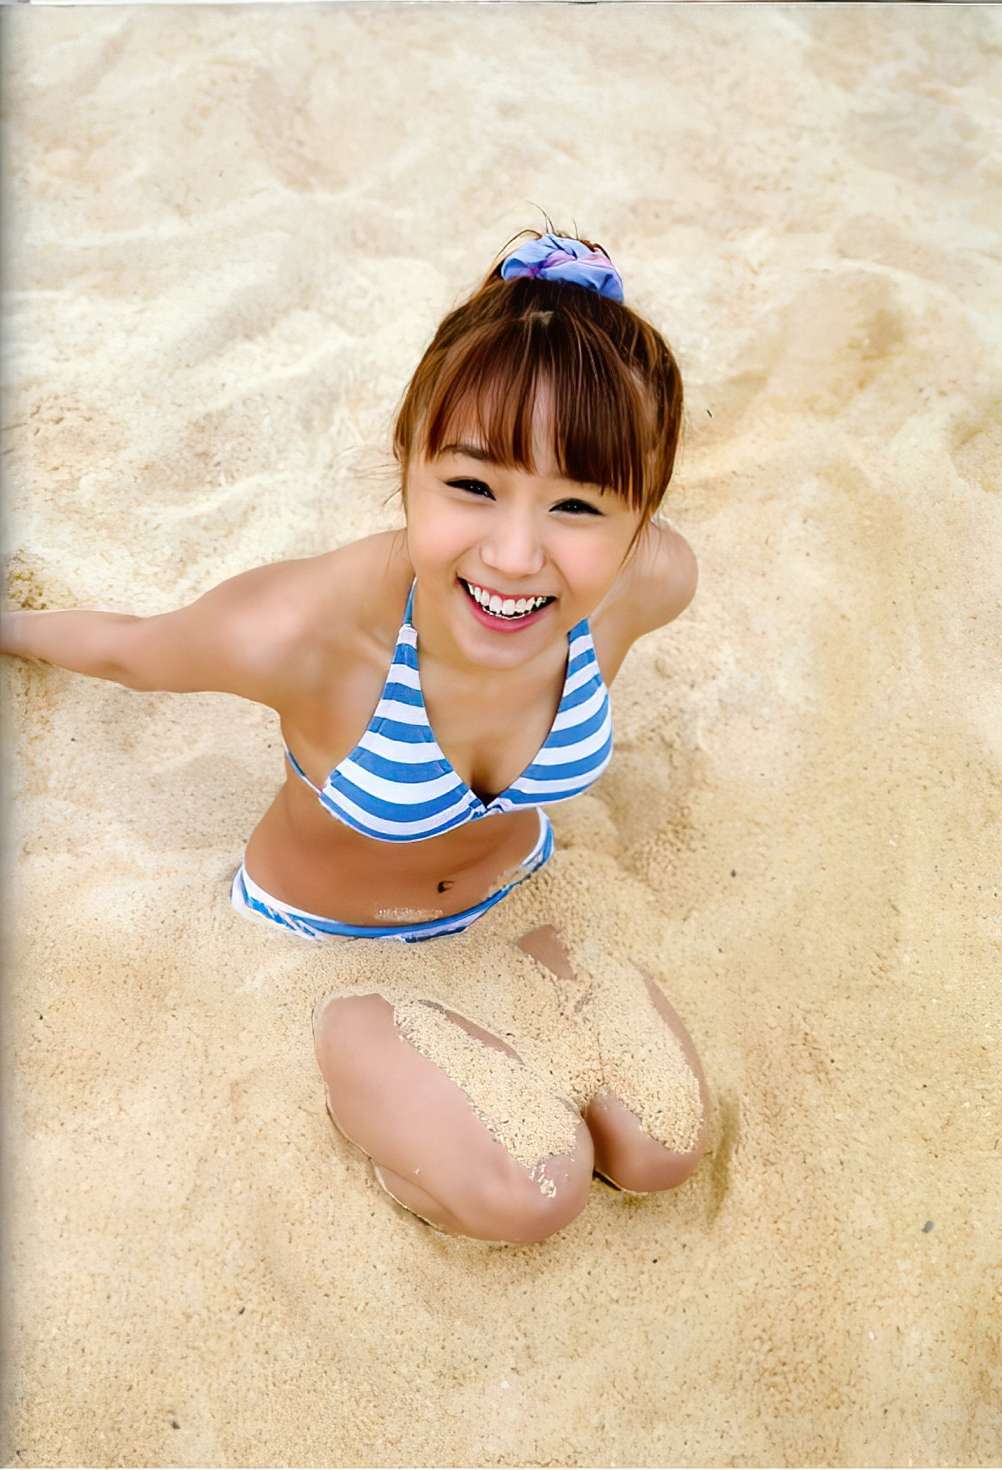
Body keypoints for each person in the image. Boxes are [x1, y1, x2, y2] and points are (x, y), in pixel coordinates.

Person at [1, 223, 712, 1244]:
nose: (516, 555)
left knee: (662, 1149)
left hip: (521, 903)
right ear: (408, 463)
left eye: (576, 505)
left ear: (640, 513)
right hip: (328, 950)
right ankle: (367, 1069)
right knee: (535, 1191)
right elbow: (132, 651)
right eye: (473, 486)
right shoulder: (304, 632)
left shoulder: (650, 584)